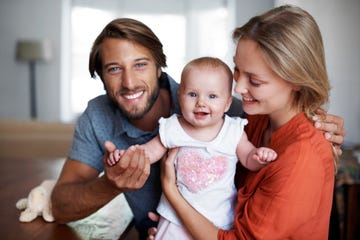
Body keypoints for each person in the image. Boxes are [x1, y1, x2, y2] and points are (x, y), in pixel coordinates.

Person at [50, 16, 345, 240]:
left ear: (159, 66)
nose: (128, 82)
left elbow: (294, 128)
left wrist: (314, 120)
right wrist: (114, 185)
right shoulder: (99, 116)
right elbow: (61, 205)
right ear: (99, 75)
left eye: (140, 64)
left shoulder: (233, 114)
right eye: (114, 69)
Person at [152, 5, 341, 240]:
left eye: (255, 80)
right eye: (237, 70)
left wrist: (173, 196)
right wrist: (176, 228)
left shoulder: (301, 157)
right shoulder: (256, 118)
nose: (238, 88)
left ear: (297, 81)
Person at [106, 57, 277, 239]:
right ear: (180, 97)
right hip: (174, 218)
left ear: (227, 103)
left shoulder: (232, 130)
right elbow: (148, 152)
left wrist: (259, 156)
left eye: (212, 96)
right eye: (193, 95)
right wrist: (126, 156)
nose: (201, 103)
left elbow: (248, 158)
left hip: (219, 219)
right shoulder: (173, 127)